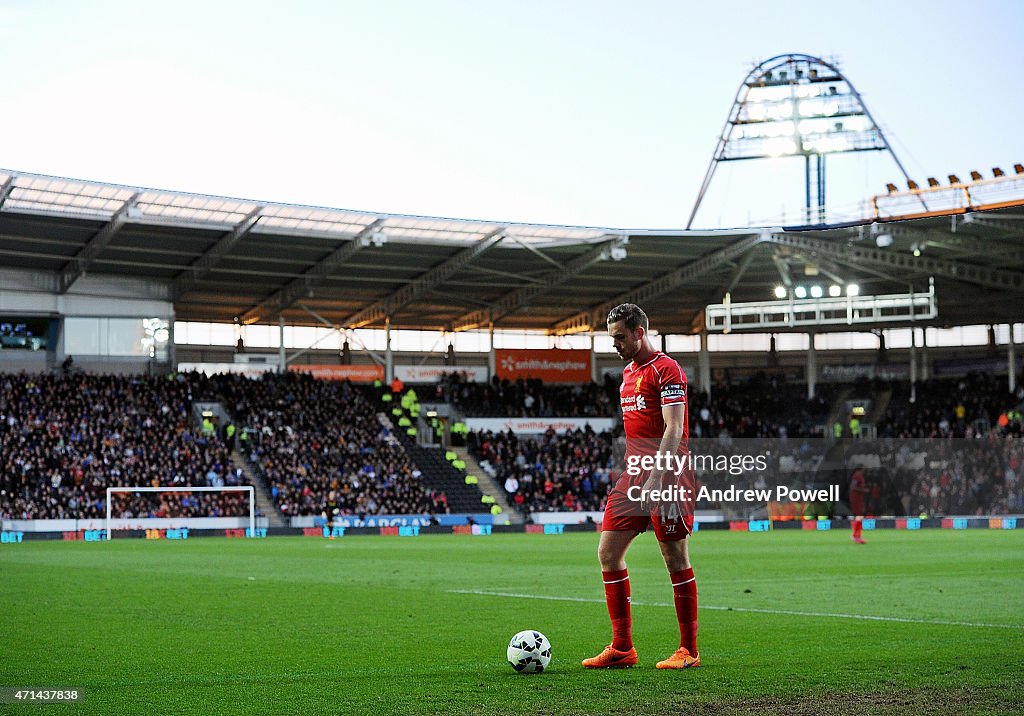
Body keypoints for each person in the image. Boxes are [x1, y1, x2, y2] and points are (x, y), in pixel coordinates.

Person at [582, 303, 699, 670]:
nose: (614, 344)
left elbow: (674, 428)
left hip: (667, 474)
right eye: (611, 337)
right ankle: (622, 648)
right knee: (608, 553)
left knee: (674, 558)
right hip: (634, 473)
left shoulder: (667, 370)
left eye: (619, 337)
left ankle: (688, 651)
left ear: (639, 332)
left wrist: (655, 476)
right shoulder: (627, 374)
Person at [849, 464, 868, 544]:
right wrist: (863, 490)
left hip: (859, 499)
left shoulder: (859, 475)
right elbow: (852, 487)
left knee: (860, 517)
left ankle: (857, 536)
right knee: (859, 517)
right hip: (856, 499)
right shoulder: (857, 475)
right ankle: (856, 536)